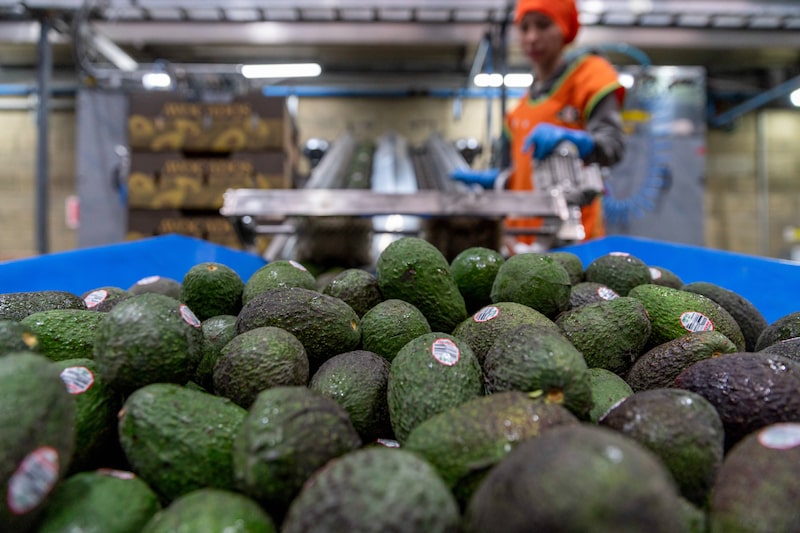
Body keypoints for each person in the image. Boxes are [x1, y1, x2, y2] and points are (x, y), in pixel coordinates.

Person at [453, 0, 626, 254]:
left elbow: (613, 146)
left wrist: (581, 142)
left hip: (572, 241)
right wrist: (501, 180)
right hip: (521, 241)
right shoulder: (520, 110)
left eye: (543, 25)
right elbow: (522, 175)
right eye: (524, 28)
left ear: (564, 28)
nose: (532, 37)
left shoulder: (590, 76)